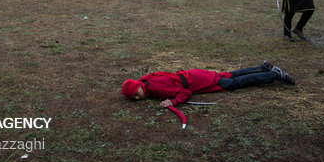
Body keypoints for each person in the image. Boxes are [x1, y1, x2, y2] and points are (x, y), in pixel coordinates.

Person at [121, 60, 294, 107]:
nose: (137, 98)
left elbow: (185, 93)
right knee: (229, 75)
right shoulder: (146, 80)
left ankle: (272, 74)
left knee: (232, 83)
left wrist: (173, 101)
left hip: (196, 81)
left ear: (137, 87)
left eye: (135, 95)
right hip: (194, 74)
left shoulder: (154, 88)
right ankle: (261, 68)